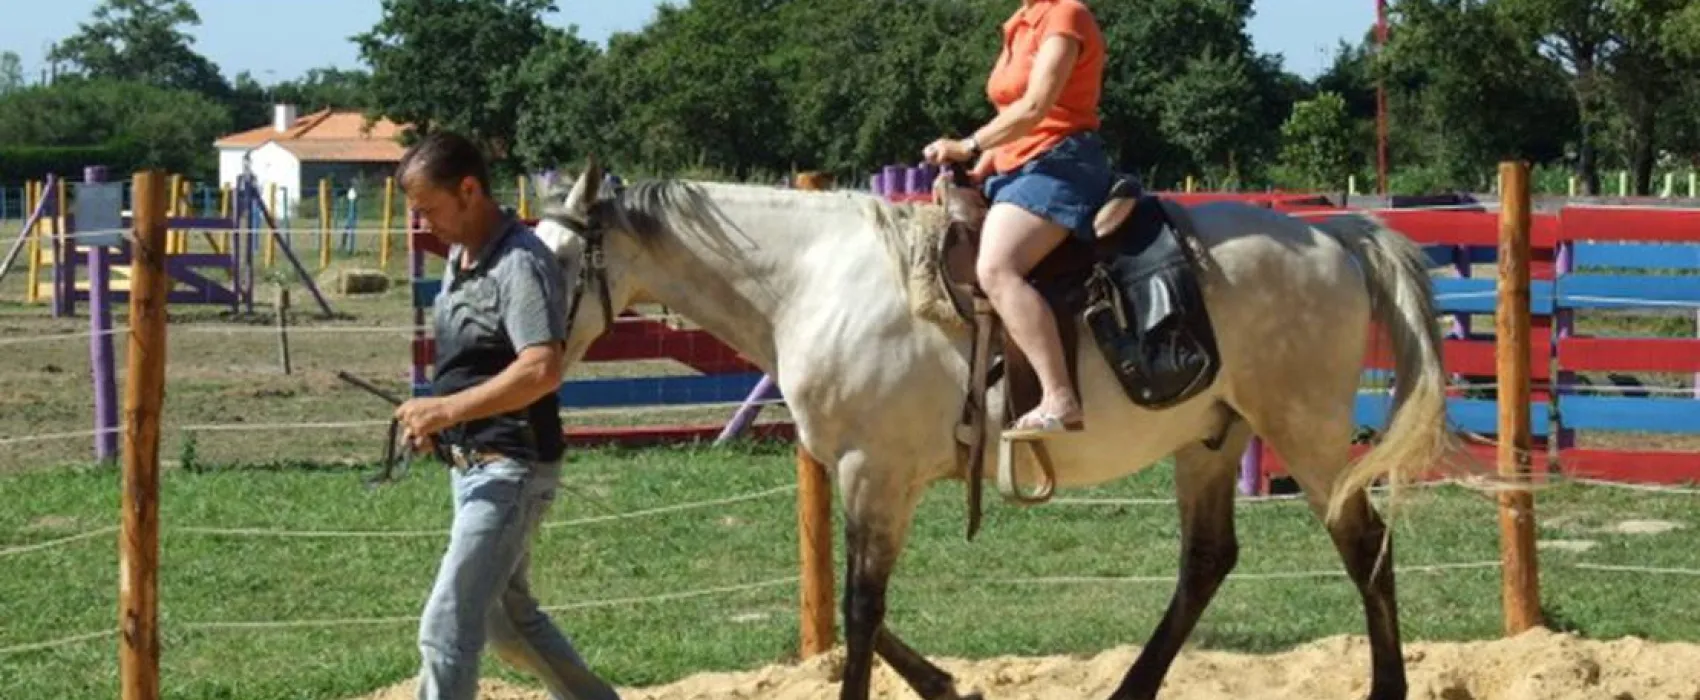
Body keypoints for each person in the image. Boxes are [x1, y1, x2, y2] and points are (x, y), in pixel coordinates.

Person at [392, 130, 622, 700]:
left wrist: (446, 408)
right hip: (472, 466)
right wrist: (440, 422)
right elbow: (474, 365)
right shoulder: (461, 258)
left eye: (428, 208)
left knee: (446, 624)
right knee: (504, 617)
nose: (422, 224)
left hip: (511, 468)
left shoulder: (520, 263)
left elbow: (540, 369)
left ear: (468, 189)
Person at [922, 0, 1111, 438]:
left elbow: (1037, 107)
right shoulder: (1020, 23)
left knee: (997, 267)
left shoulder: (1067, 15)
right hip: (1020, 164)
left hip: (1064, 164)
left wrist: (967, 145)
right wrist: (985, 161)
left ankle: (1060, 397)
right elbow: (1014, 114)